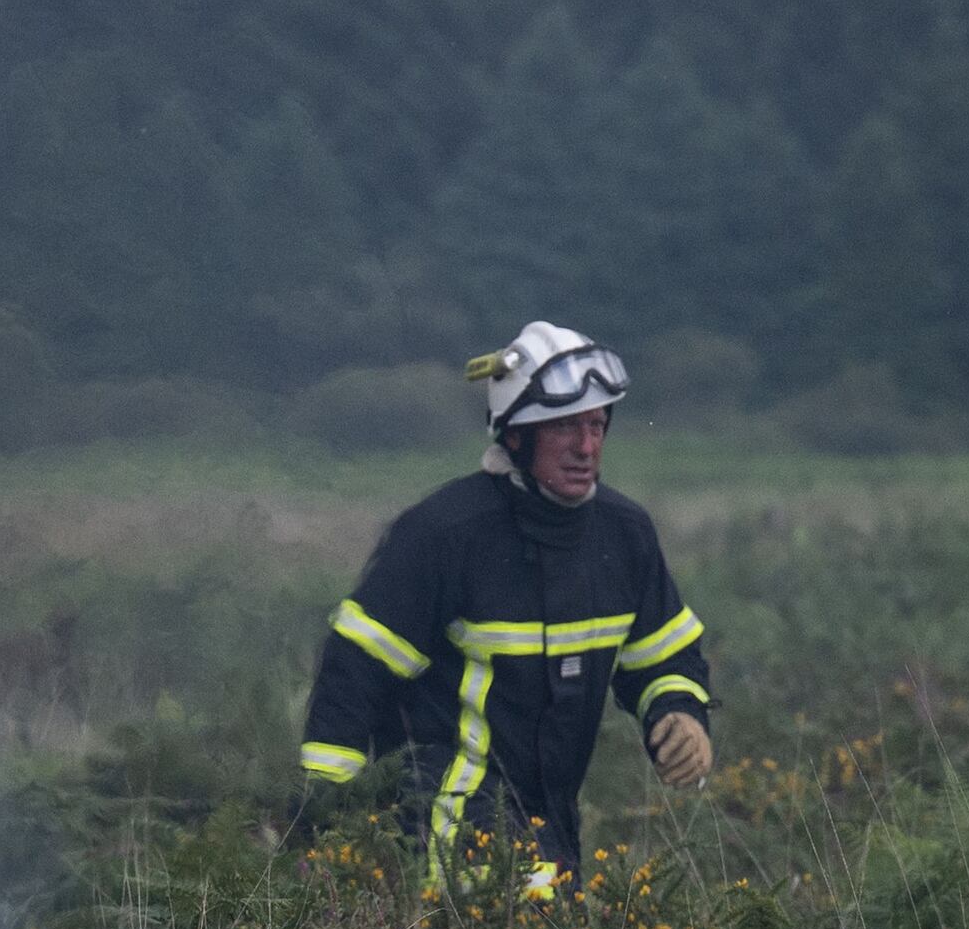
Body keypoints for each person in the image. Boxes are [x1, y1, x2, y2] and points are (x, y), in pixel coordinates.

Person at [297, 320, 711, 892]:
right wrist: (325, 821)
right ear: (516, 435)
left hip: (553, 817)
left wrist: (679, 711)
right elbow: (354, 674)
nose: (586, 447)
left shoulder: (625, 535)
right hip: (442, 814)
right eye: (565, 427)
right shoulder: (443, 534)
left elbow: (664, 656)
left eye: (596, 425)